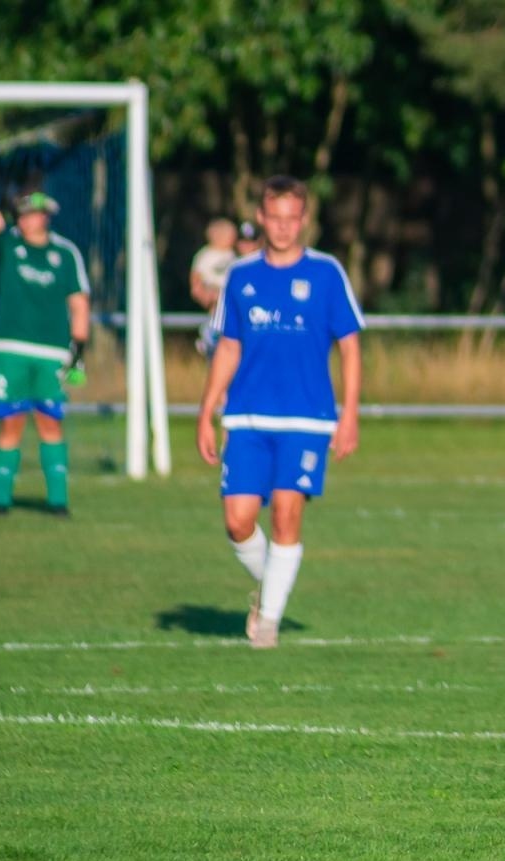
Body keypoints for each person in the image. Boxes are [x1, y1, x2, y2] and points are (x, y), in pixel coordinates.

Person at [196, 175, 363, 649]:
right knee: (237, 520)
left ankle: (267, 622)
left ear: (303, 220)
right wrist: (206, 410)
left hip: (307, 419)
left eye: (293, 218)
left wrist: (349, 414)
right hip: (247, 418)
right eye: (276, 217)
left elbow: (350, 348)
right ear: (263, 219)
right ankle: (272, 588)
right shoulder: (242, 276)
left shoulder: (327, 274)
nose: (284, 227)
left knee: (287, 515)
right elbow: (228, 347)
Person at [0, 190, 90, 516]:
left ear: (47, 216)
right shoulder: (8, 244)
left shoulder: (65, 253)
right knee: (11, 421)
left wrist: (78, 353)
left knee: (50, 422)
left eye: (35, 213)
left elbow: (79, 304)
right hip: (10, 348)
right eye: (24, 213)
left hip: (52, 351)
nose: (30, 218)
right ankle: (1, 500)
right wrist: (5, 214)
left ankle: (58, 502)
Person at [190, 217, 238, 356]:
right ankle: (209, 337)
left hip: (229, 292)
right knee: (217, 314)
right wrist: (202, 292)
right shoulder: (206, 255)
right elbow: (197, 278)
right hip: (213, 290)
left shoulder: (233, 255)